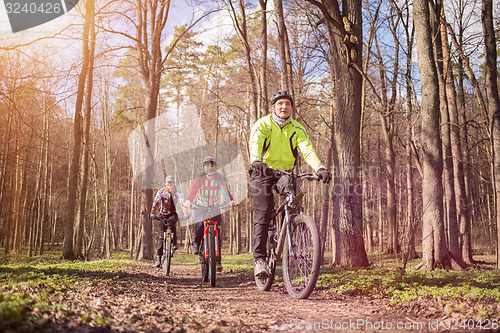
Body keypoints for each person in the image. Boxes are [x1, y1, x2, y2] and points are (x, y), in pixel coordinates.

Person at [248, 90, 332, 277]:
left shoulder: (296, 128)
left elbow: (307, 150)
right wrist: (256, 161)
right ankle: (260, 259)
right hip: (262, 171)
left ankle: (295, 235)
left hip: (284, 173)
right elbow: (255, 143)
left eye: (287, 104)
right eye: (280, 104)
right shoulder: (263, 124)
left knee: (293, 196)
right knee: (263, 212)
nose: (284, 107)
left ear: (291, 108)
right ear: (273, 108)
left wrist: (320, 168)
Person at [183, 156, 236, 272]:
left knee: (217, 231)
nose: (209, 168)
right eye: (207, 166)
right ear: (204, 167)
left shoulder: (219, 179)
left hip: (215, 206)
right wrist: (188, 201)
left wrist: (230, 200)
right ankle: (196, 243)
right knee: (201, 223)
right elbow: (192, 192)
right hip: (199, 206)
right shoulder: (200, 179)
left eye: (212, 166)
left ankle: (217, 261)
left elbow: (224, 190)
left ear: (215, 168)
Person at [150, 175, 184, 268]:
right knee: (161, 236)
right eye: (168, 183)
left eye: (171, 183)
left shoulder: (178, 192)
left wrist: (186, 212)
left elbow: (182, 202)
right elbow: (155, 203)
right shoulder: (161, 192)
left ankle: (174, 244)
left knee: (173, 224)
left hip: (173, 214)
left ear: (174, 183)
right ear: (165, 183)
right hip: (162, 215)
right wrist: (153, 212)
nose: (169, 184)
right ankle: (159, 258)